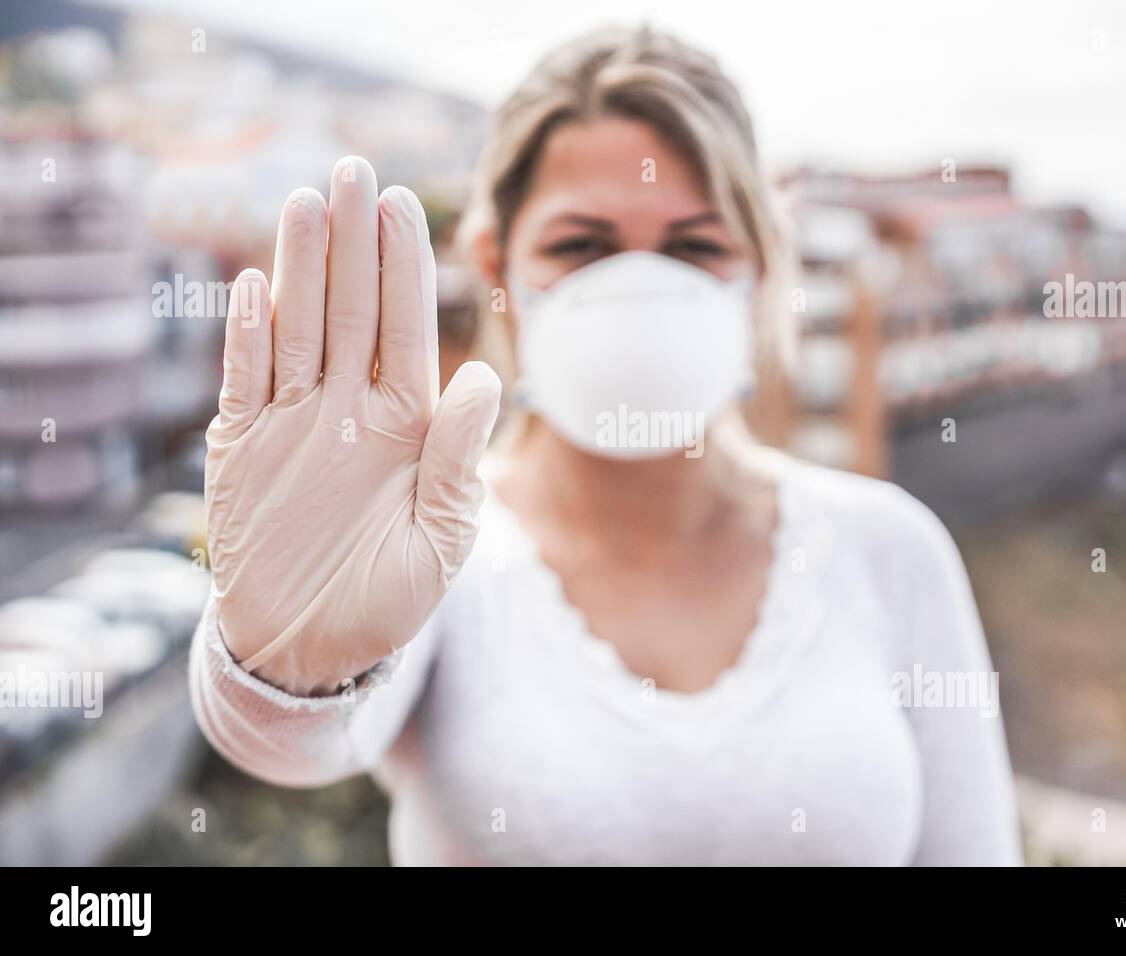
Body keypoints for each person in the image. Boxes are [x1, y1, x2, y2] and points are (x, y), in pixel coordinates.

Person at [190, 25, 1021, 865]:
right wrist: (280, 657)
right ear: (498, 267)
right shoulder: (432, 549)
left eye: (696, 247)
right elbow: (298, 747)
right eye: (580, 246)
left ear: (764, 267)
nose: (639, 290)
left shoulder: (889, 548)